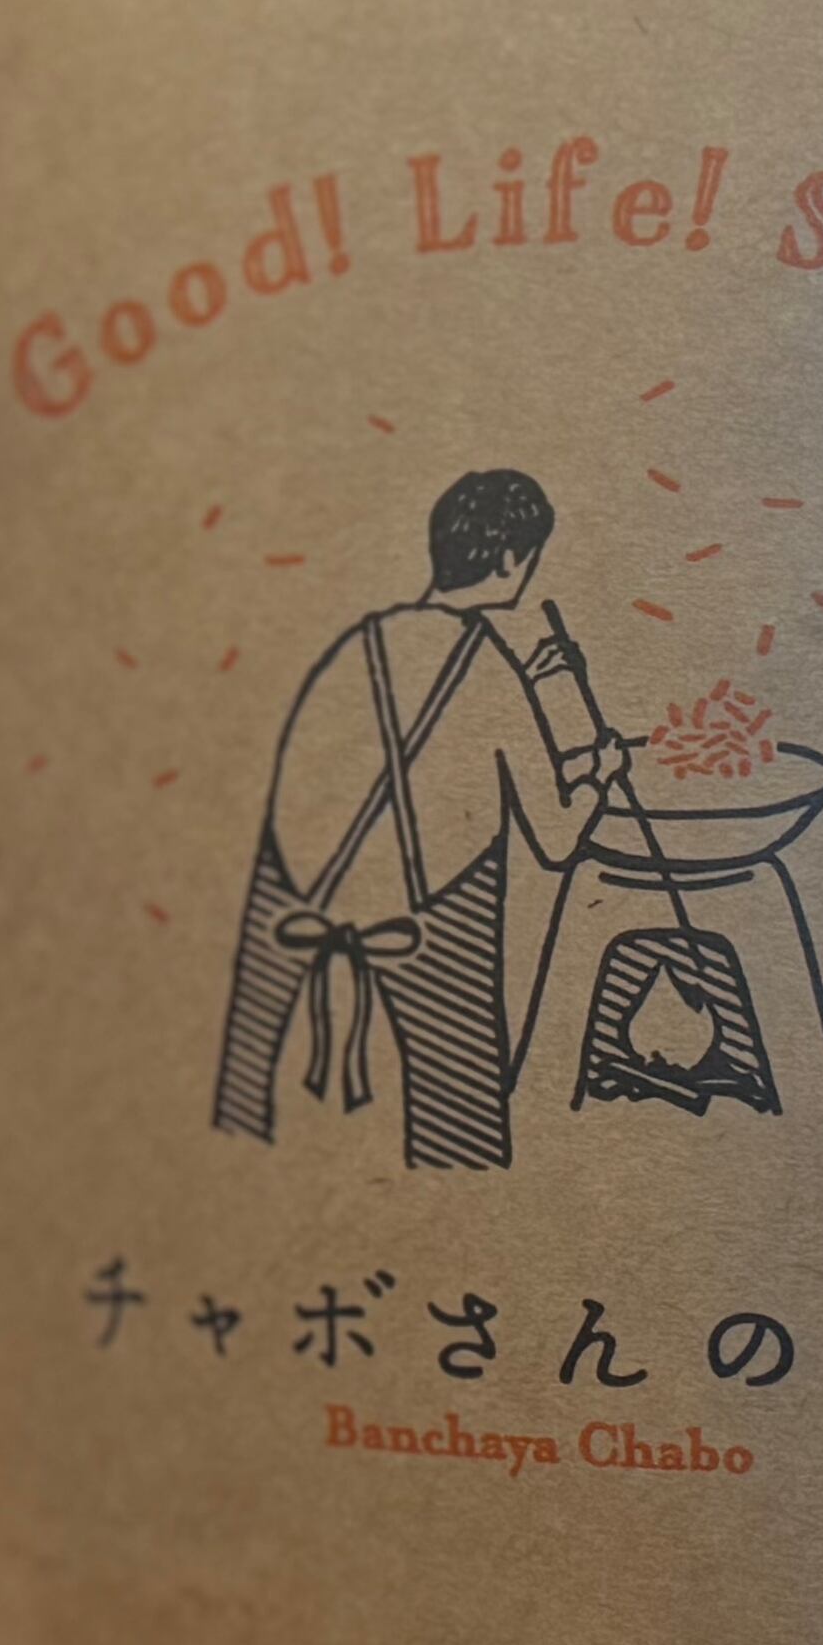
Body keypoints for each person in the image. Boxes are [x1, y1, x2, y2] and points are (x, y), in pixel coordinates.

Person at [212, 469, 637, 1170]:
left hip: (294, 893)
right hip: (430, 919)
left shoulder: (361, 643)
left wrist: (538, 700)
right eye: (529, 559)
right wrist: (602, 773)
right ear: (510, 560)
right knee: (461, 1131)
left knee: (241, 1095)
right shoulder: (489, 668)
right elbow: (558, 838)